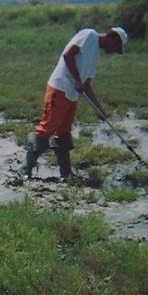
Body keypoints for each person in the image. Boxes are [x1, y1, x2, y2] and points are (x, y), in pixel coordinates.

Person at [20, 26, 128, 181]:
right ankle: (25, 169)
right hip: (60, 87)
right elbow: (68, 55)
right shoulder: (89, 35)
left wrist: (99, 108)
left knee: (63, 132)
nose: (114, 51)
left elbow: (86, 85)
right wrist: (77, 79)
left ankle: (66, 173)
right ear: (113, 38)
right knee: (47, 128)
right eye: (117, 47)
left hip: (72, 95)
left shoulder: (95, 58)